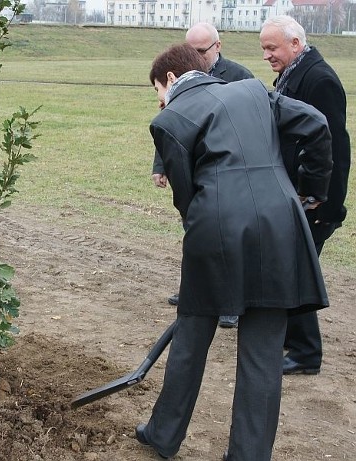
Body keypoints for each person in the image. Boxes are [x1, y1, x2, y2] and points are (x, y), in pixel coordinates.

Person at [136, 43, 332, 461]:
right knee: (262, 353)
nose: (157, 100)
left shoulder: (168, 119)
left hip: (215, 230)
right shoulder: (252, 89)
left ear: (171, 79)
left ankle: (163, 434)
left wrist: (206, 232)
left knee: (191, 338)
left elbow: (186, 198)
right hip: (280, 225)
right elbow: (316, 124)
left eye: (156, 90)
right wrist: (311, 191)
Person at [260, 16, 351, 375]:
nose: (267, 55)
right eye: (264, 49)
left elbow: (333, 148)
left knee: (296, 269)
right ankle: (290, 337)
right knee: (289, 265)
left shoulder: (320, 79)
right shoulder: (295, 73)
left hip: (313, 201)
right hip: (296, 195)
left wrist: (318, 201)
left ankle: (306, 352)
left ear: (295, 44)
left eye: (272, 47)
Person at [152, 23, 254, 328]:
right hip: (194, 172)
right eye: (190, 50)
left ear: (218, 46)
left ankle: (230, 303)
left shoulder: (239, 78)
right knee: (195, 235)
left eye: (201, 51)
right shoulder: (178, 82)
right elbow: (171, 125)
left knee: (228, 243)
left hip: (228, 176)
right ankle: (195, 291)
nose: (194, 56)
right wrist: (161, 166)